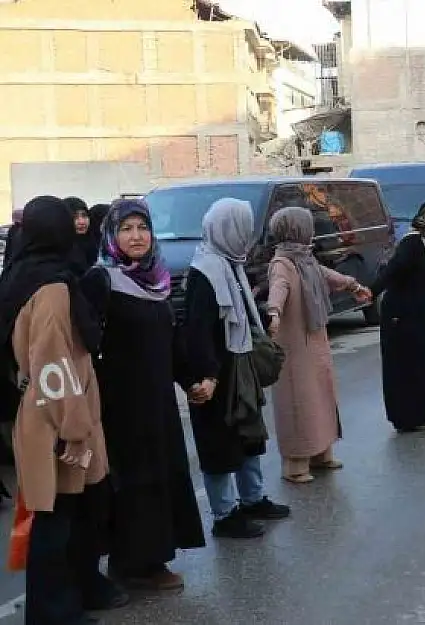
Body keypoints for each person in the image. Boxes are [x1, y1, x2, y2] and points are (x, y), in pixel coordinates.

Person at [0, 196, 126, 624]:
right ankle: (52, 613)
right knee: (56, 520)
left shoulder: (20, 274)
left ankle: (63, 601)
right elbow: (53, 366)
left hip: (37, 412)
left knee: (60, 515)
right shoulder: (53, 289)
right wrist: (75, 429)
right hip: (57, 419)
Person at [82, 198, 205, 591]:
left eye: (142, 228)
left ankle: (153, 556)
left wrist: (191, 379)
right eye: (126, 229)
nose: (136, 237)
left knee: (163, 475)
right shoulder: (100, 281)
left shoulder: (157, 279)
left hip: (159, 402)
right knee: (133, 480)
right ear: (112, 235)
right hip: (120, 404)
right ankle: (132, 563)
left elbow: (169, 338)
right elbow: (85, 343)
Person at [181, 198, 290, 539]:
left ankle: (252, 498)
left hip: (239, 366)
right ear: (227, 230)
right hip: (218, 374)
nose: (249, 236)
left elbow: (239, 311)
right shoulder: (205, 273)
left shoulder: (231, 265)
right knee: (220, 442)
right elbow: (199, 332)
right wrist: (208, 376)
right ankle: (224, 514)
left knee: (248, 434)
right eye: (243, 228)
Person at [265, 207, 371, 482]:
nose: (312, 230)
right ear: (296, 229)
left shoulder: (305, 258)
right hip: (295, 345)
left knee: (322, 395)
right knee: (300, 400)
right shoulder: (283, 263)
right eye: (307, 225)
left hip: (315, 338)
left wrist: (353, 286)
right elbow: (279, 288)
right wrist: (274, 312)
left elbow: (326, 275)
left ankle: (322, 451)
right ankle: (296, 463)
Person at [371, 203, 425, 432]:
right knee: (411, 366)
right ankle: (413, 418)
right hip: (404, 317)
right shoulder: (412, 243)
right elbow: (393, 271)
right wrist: (370, 292)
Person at [63, 197, 98, 273]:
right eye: (75, 217)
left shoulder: (94, 243)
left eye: (84, 215)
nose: (81, 222)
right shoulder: (61, 250)